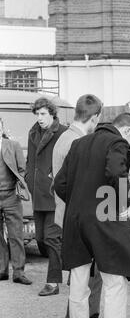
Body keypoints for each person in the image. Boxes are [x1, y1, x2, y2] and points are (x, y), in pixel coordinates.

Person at [54, 112, 130, 318]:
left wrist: (79, 204)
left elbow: (60, 183)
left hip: (75, 220)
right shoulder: (116, 143)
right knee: (115, 283)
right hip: (104, 219)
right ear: (126, 131)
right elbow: (116, 172)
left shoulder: (79, 143)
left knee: (79, 281)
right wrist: (123, 203)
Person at [52, 94, 104, 318]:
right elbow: (66, 184)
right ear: (94, 117)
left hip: (66, 215)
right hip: (77, 218)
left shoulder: (65, 136)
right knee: (84, 277)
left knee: (80, 276)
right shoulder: (78, 141)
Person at [25, 97, 67, 296]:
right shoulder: (33, 131)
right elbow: (30, 161)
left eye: (43, 114)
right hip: (37, 194)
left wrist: (55, 177)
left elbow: (69, 161)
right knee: (40, 239)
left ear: (52, 113)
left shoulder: (63, 132)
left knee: (51, 238)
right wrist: (28, 177)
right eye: (37, 114)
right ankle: (70, 263)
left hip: (54, 194)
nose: (39, 118)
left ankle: (53, 282)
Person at [0, 118, 32, 285]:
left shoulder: (13, 145)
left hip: (11, 196)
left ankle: (18, 272)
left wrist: (19, 184)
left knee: (16, 235)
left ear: (1, 126)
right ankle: (2, 270)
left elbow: (22, 169)